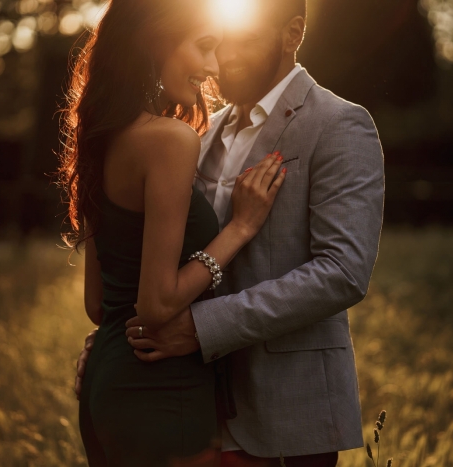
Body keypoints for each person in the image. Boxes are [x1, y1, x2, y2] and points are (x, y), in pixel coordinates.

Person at [76, 0, 386, 465]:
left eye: (243, 40)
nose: (222, 61)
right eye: (215, 42)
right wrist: (114, 342)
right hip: (189, 403)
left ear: (292, 33)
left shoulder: (339, 124)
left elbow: (342, 272)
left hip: (283, 413)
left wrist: (201, 330)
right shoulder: (194, 132)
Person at [58, 0, 288, 465]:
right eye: (204, 47)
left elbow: (99, 305)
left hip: (106, 385)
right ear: (154, 40)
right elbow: (157, 305)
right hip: (160, 391)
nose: (213, 67)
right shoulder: (170, 139)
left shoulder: (101, 139)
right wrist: (239, 228)